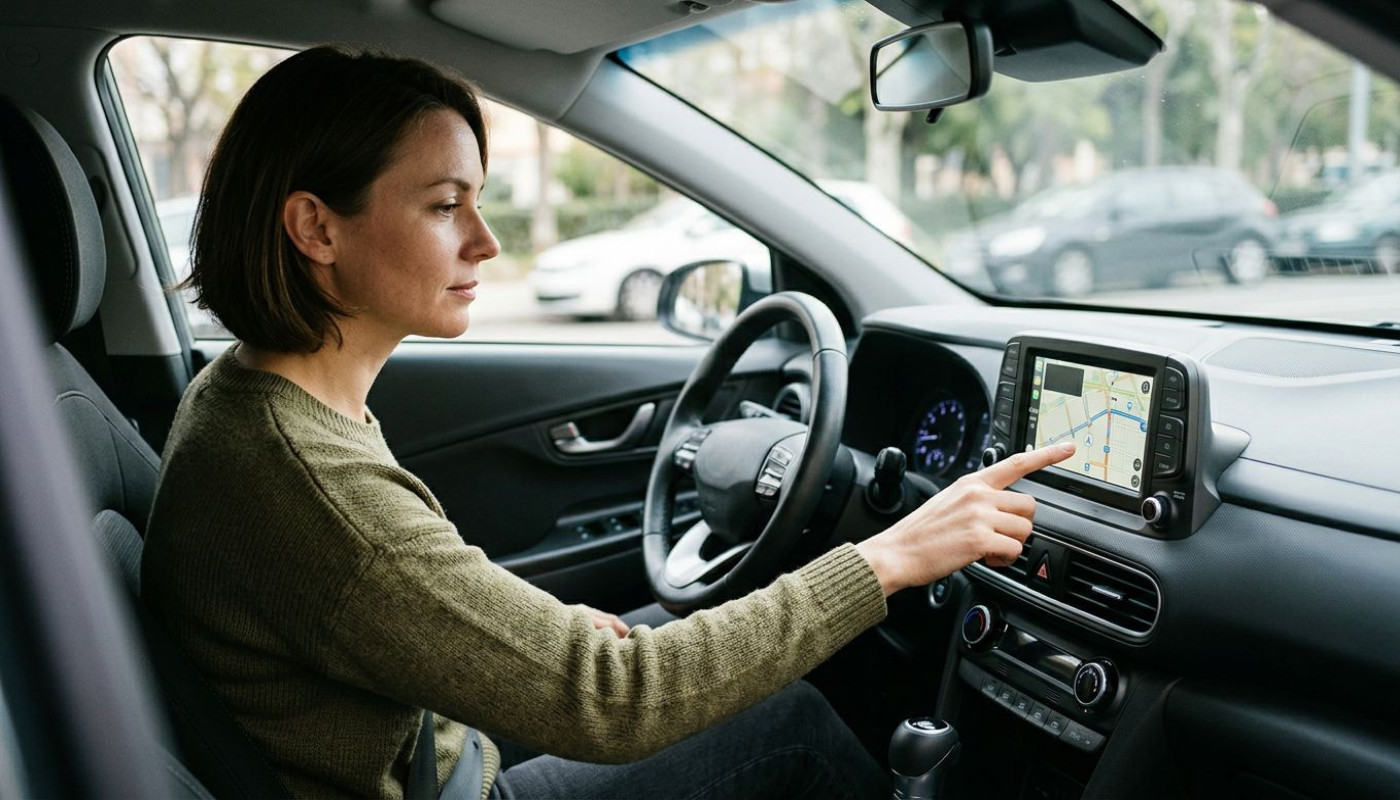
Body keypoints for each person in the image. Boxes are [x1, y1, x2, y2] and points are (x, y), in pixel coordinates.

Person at [142, 45, 1076, 800]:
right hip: (447, 782)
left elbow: (400, 602)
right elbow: (617, 704)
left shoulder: (258, 395)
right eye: (444, 206)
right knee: (785, 723)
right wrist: (891, 556)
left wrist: (536, 636)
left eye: (477, 202)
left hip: (427, 750)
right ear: (316, 228)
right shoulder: (309, 478)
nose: (486, 242)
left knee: (656, 625)